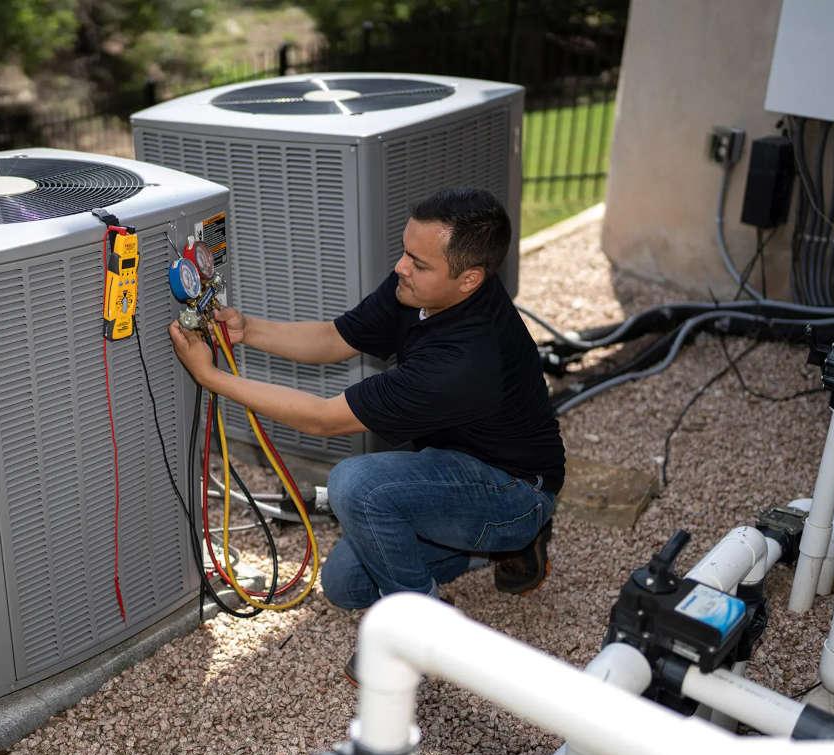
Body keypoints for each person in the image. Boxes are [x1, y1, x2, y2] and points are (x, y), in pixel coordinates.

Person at [168, 187, 564, 679]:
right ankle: (491, 547)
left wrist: (212, 378)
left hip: (514, 490)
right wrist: (250, 330)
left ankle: (419, 631)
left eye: (418, 263)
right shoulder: (419, 291)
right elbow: (338, 337)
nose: (401, 267)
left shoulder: (465, 360)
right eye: (405, 252)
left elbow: (322, 418)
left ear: (469, 280)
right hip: (452, 470)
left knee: (356, 485)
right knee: (344, 585)